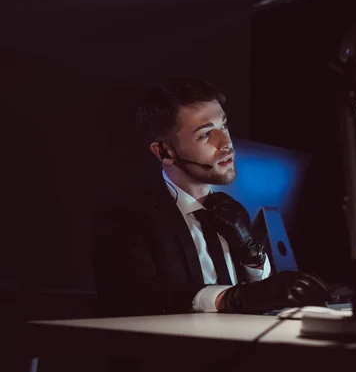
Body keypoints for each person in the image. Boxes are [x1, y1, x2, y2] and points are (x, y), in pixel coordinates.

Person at [92, 77, 331, 318]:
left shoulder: (232, 210)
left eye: (224, 126)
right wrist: (230, 298)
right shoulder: (126, 218)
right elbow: (133, 295)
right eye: (206, 134)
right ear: (163, 152)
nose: (227, 143)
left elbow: (259, 296)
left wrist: (252, 256)